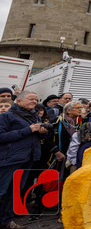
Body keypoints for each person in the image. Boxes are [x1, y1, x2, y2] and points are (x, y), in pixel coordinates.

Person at [0, 91, 47, 229]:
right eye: (31, 99)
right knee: (1, 191)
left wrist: (42, 132)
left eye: (36, 99)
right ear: (19, 101)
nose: (34, 101)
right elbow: (1, 136)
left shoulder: (35, 117)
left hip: (27, 159)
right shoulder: (7, 116)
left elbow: (34, 137)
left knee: (14, 192)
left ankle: (6, 221)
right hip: (10, 159)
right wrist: (29, 130)